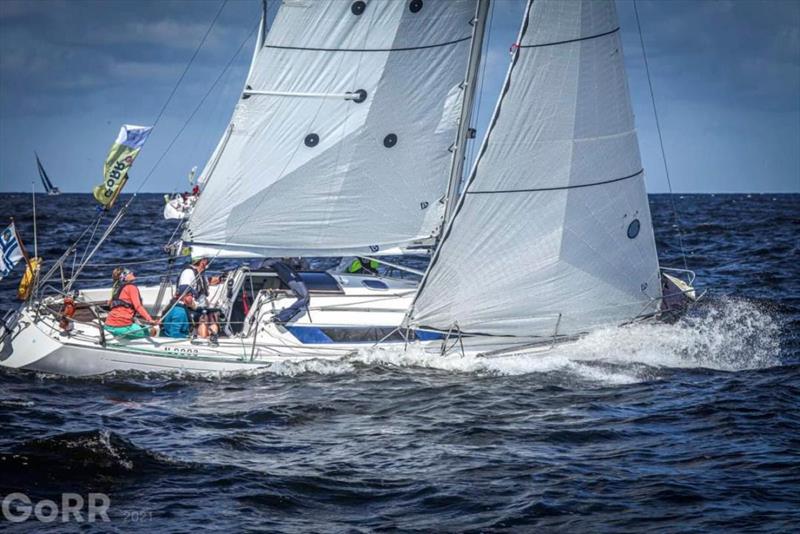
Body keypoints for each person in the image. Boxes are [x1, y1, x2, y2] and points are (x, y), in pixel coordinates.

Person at [176, 257, 222, 345]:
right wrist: (198, 308)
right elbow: (186, 298)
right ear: (202, 262)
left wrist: (220, 279)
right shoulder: (188, 273)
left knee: (213, 315)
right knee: (204, 319)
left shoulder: (200, 273)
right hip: (191, 309)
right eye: (206, 260)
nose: (207, 263)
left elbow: (207, 282)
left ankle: (213, 337)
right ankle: (204, 341)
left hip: (201, 307)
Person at [104, 268, 158, 339]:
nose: (132, 273)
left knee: (137, 325)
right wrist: (150, 320)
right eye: (129, 273)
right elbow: (138, 306)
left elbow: (111, 304)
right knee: (153, 330)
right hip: (122, 327)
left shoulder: (117, 288)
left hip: (108, 325)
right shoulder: (131, 287)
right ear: (124, 277)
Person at [259, 258, 309, 323]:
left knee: (304, 297)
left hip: (283, 268)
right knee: (304, 297)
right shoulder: (275, 262)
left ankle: (281, 316)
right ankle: (281, 317)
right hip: (280, 268)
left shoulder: (296, 261)